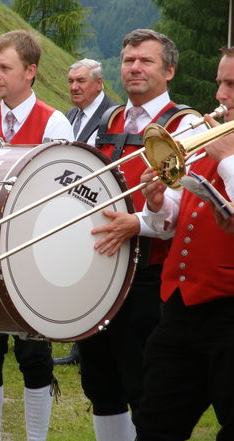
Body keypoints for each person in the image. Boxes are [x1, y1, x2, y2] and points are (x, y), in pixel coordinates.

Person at [78, 29, 206, 441]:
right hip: (101, 267)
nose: (134, 67)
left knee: (143, 385)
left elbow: (186, 209)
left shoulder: (185, 124)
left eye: (145, 61)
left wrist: (138, 223)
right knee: (100, 381)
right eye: (128, 59)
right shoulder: (109, 120)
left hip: (149, 276)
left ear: (169, 70)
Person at [0, 30, 73, 441]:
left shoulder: (54, 121)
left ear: (30, 72)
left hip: (33, 251)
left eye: (4, 67)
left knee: (34, 352)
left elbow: (62, 192)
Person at [133, 46, 234, 441]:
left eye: (231, 85)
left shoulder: (222, 147)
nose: (221, 96)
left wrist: (226, 160)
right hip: (180, 305)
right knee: (156, 422)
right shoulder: (219, 137)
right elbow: (179, 216)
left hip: (229, 309)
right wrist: (158, 203)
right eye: (220, 83)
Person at [55, 58, 119, 366]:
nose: (74, 87)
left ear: (99, 84)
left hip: (99, 205)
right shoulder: (70, 115)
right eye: (70, 82)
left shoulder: (112, 116)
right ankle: (79, 340)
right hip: (71, 202)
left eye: (80, 81)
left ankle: (89, 343)